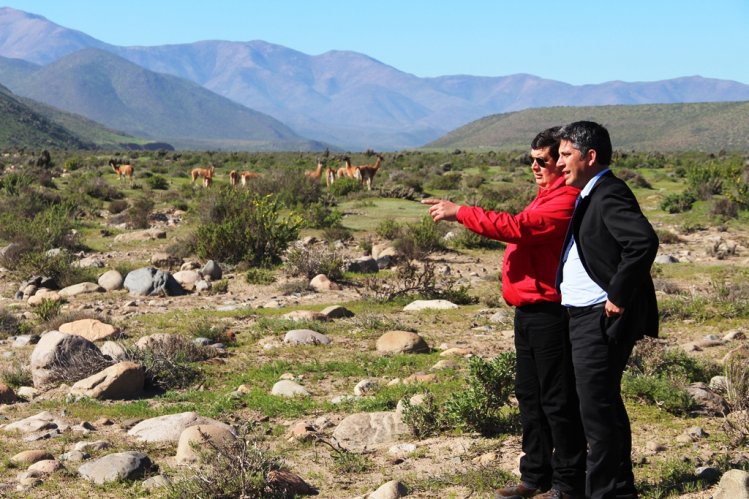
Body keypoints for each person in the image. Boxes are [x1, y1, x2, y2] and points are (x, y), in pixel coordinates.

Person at [423, 127, 586, 499]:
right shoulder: (544, 197)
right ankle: (535, 477)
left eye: (542, 160)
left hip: (549, 312)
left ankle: (568, 484)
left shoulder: (565, 200)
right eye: (530, 160)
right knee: (530, 396)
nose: (535, 167)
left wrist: (460, 212)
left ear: (561, 162)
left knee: (557, 400)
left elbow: (516, 228)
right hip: (528, 313)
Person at [554, 121, 659, 499]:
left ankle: (610, 493)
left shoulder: (608, 192)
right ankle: (610, 488)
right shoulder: (591, 192)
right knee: (599, 404)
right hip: (584, 315)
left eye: (566, 155)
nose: (559, 162)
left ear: (590, 156)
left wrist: (618, 293)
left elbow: (643, 241)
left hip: (601, 316)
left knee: (599, 408)